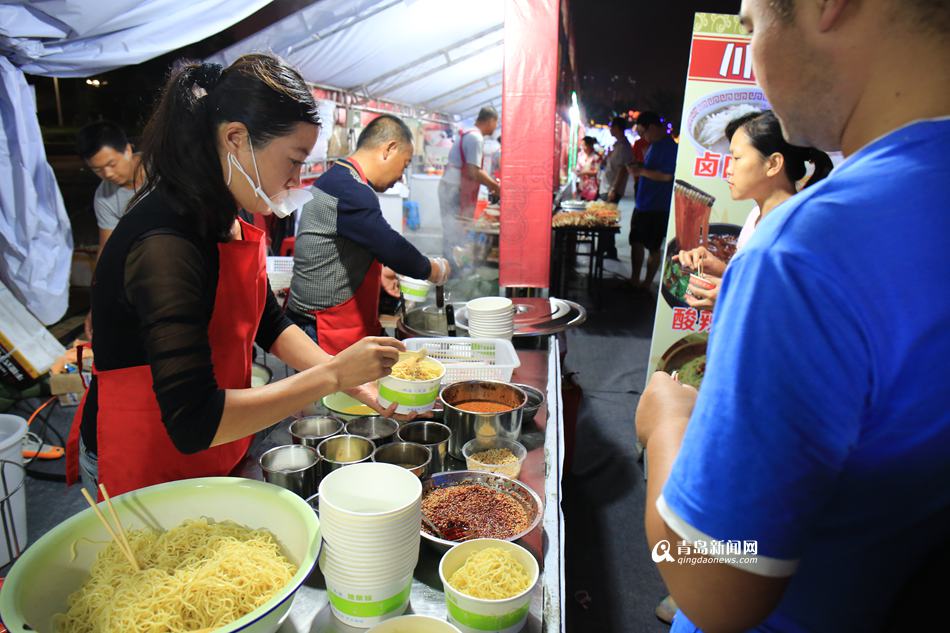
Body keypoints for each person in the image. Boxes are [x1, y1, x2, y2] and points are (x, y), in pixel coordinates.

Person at [636, 1, 950, 632]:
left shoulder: (805, 249)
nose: (752, 54)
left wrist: (667, 420)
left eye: (751, 25)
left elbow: (710, 581)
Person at [65, 54, 405, 498]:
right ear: (236, 139)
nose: (297, 178)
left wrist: (353, 379)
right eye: (293, 160)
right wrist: (333, 375)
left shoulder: (225, 215)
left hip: (214, 446)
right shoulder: (164, 242)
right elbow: (192, 420)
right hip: (147, 462)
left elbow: (268, 322)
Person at [287, 114, 450, 354]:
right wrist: (434, 269)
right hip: (322, 324)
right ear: (389, 149)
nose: (399, 178)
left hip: (322, 318)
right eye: (404, 165)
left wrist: (379, 271)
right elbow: (391, 246)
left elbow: (345, 244)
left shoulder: (337, 178)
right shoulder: (349, 189)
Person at [676, 110, 833, 310]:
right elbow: (760, 285)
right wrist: (721, 270)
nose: (729, 169)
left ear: (773, 163)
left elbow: (802, 310)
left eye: (737, 158)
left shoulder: (797, 230)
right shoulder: (756, 216)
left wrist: (732, 298)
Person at [76, 121, 146, 340]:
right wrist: (97, 304)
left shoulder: (163, 165)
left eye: (112, 164)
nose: (107, 173)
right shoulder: (105, 197)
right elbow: (107, 250)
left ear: (127, 150)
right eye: (97, 170)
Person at [438, 107, 501, 264]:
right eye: (496, 123)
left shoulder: (469, 132)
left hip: (449, 186)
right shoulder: (475, 138)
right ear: (491, 120)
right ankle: (452, 271)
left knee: (452, 231)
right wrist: (495, 186)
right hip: (454, 189)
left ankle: (450, 268)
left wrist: (490, 184)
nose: (495, 127)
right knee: (455, 231)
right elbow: (474, 171)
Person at [629, 111, 677, 288]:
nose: (643, 137)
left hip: (657, 207)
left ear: (653, 127)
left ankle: (646, 284)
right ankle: (634, 280)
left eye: (643, 132)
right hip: (643, 204)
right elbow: (653, 170)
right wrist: (641, 167)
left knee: (653, 247)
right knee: (636, 241)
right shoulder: (655, 145)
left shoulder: (668, 146)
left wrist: (640, 171)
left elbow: (666, 176)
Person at [575, 136, 602, 201]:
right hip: (582, 186)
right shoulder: (580, 155)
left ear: (590, 146)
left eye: (584, 145)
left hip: (593, 187)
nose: (583, 148)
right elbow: (578, 168)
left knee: (590, 207)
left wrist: (584, 172)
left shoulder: (596, 157)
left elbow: (596, 172)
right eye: (582, 145)